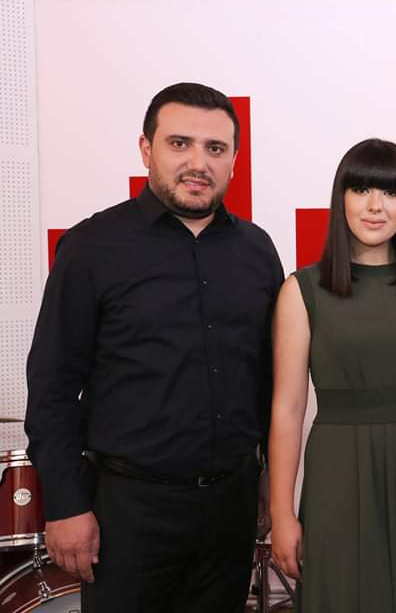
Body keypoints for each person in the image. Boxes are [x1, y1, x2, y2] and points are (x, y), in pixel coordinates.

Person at [25, 82, 284, 612]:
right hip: (126, 513)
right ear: (146, 149)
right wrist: (66, 505)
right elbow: (52, 387)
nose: (198, 163)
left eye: (215, 148)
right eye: (179, 143)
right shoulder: (92, 247)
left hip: (230, 511)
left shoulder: (257, 251)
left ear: (234, 160)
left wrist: (264, 479)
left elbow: (265, 381)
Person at [269, 138, 396, 612]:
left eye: (391, 192)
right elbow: (288, 409)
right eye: (361, 190)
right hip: (340, 472)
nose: (375, 206)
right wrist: (282, 514)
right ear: (341, 198)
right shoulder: (302, 289)